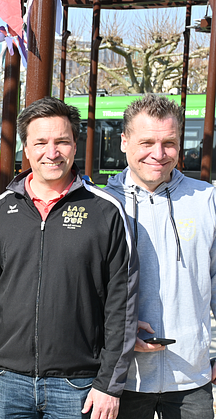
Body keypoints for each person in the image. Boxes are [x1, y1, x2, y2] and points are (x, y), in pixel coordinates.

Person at [0, 97, 139, 419]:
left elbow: (122, 306)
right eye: (41, 142)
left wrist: (109, 385)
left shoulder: (106, 211)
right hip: (6, 381)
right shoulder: (2, 210)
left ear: (75, 145)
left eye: (62, 141)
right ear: (26, 149)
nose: (52, 152)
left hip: (78, 385)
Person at [106, 94, 216, 418]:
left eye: (169, 143)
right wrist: (122, 337)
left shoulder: (207, 201)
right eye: (147, 142)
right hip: (121, 380)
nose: (159, 154)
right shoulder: (103, 205)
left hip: (191, 382)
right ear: (124, 141)